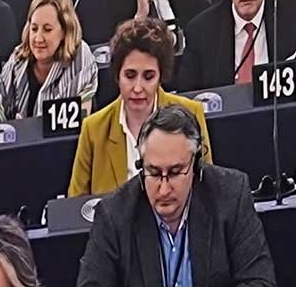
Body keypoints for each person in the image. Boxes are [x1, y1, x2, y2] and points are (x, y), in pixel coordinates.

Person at [68, 106, 280, 287]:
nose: (164, 188)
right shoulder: (114, 214)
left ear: (196, 164)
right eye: (153, 172)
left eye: (176, 172)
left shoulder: (231, 194)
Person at [67, 17, 212, 195]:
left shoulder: (192, 114)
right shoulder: (93, 129)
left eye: (148, 76)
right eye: (130, 75)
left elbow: (207, 192)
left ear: (161, 77)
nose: (138, 88)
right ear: (117, 76)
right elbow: (75, 206)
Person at [0, 0, 95, 127]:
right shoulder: (17, 59)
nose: (38, 38)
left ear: (65, 30)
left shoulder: (80, 55)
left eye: (47, 30)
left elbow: (81, 125)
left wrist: (25, 127)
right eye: (34, 29)